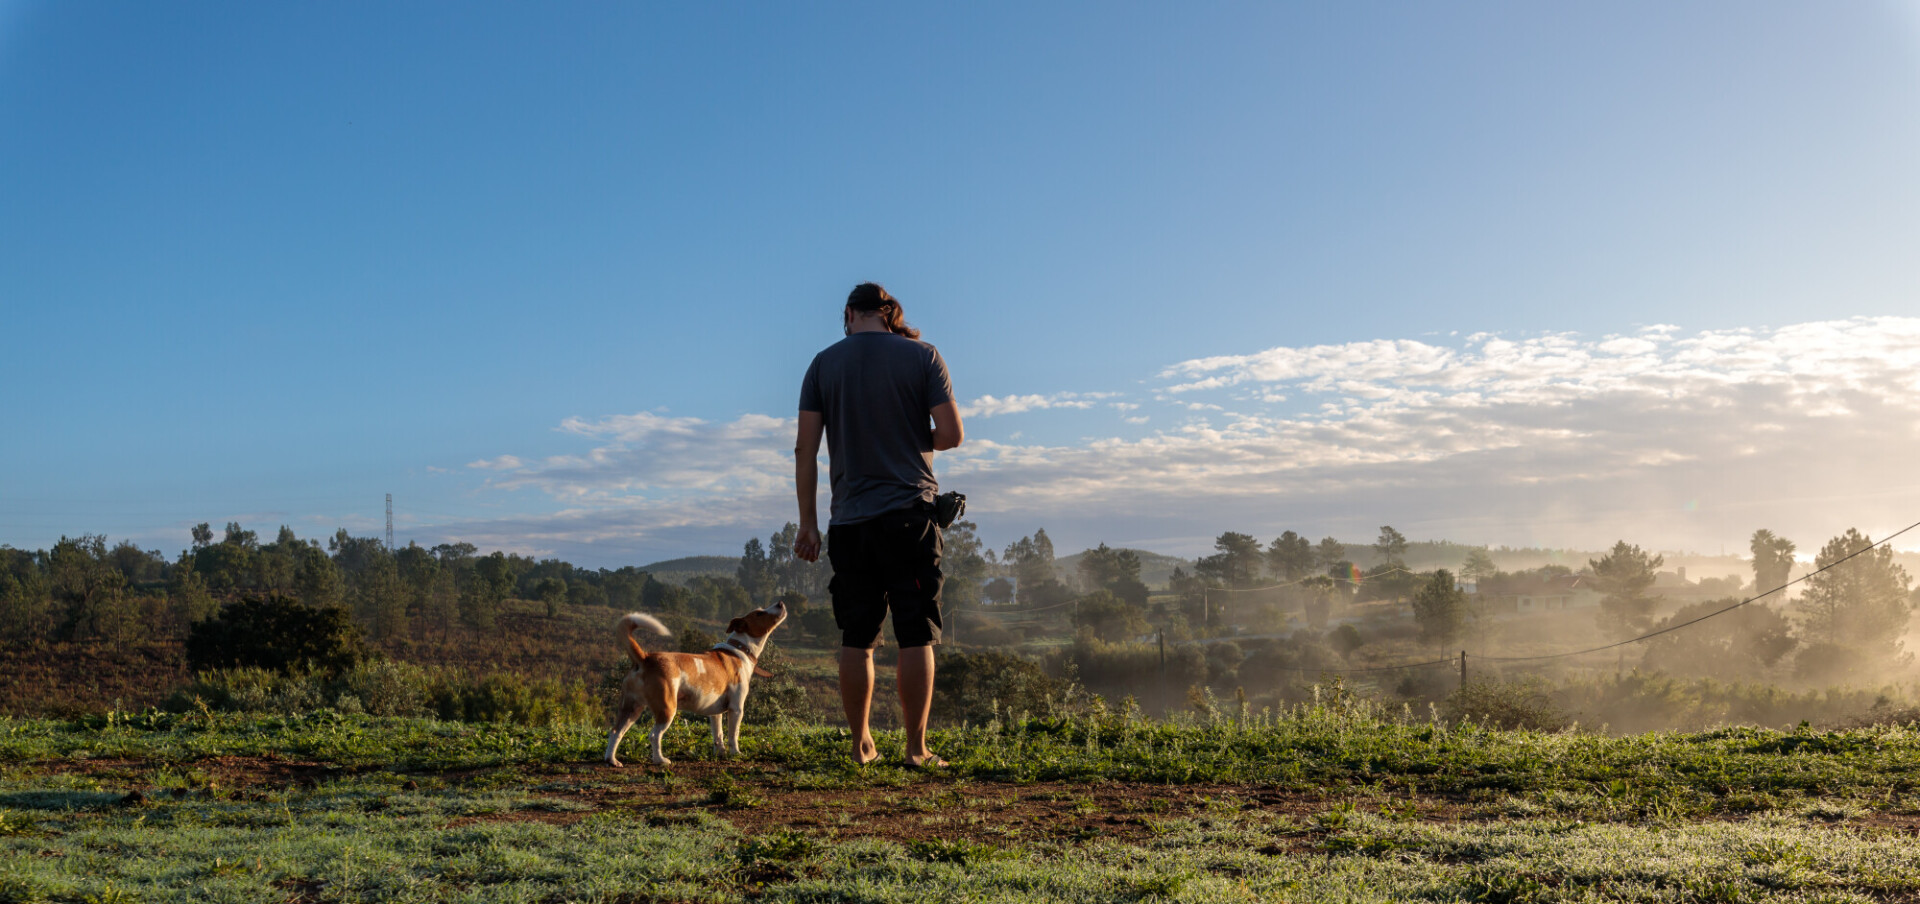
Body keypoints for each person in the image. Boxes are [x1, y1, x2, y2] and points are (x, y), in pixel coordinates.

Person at [792, 282, 964, 767]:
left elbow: (806, 450)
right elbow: (951, 435)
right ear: (887, 314)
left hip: (850, 524)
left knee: (857, 636)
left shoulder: (822, 365)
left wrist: (808, 523)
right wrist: (911, 436)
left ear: (849, 314)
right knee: (915, 634)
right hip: (910, 517)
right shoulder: (923, 357)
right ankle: (916, 748)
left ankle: (861, 743)